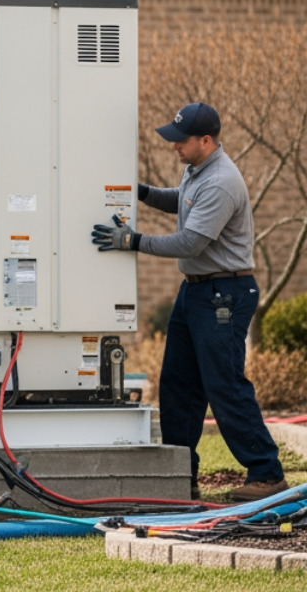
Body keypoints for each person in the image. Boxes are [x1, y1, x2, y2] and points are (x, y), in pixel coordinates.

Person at [90, 101, 287, 503]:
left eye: (181, 140)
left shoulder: (222, 182)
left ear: (206, 140)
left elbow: (190, 241)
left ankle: (267, 473)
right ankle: (181, 475)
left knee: (223, 384)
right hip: (196, 291)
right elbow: (181, 200)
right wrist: (142, 192)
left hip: (224, 295)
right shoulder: (197, 171)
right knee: (178, 384)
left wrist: (132, 241)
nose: (174, 145)